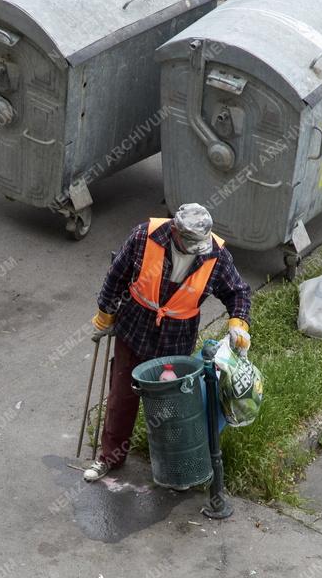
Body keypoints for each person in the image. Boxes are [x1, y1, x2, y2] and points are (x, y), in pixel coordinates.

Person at [83, 203, 252, 482]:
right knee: (121, 398)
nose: (197, 249)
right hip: (134, 329)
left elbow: (239, 292)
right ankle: (110, 458)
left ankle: (171, 466)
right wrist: (105, 314)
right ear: (175, 231)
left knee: (170, 407)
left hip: (176, 339)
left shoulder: (215, 255)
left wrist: (239, 323)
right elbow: (116, 277)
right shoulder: (144, 236)